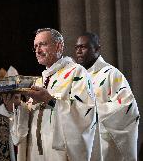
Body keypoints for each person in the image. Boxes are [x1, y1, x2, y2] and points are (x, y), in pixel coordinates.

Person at [11, 28, 96, 161]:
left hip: (58, 153)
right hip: (35, 152)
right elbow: (26, 125)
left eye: (42, 44)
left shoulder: (76, 73)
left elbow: (85, 112)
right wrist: (19, 106)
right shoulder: (39, 81)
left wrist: (50, 100)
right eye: (35, 47)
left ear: (58, 46)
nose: (38, 51)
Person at [75, 32, 139, 161]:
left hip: (102, 141)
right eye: (76, 48)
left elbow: (127, 106)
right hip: (81, 141)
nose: (79, 51)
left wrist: (92, 111)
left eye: (83, 47)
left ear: (97, 49)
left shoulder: (111, 74)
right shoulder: (76, 78)